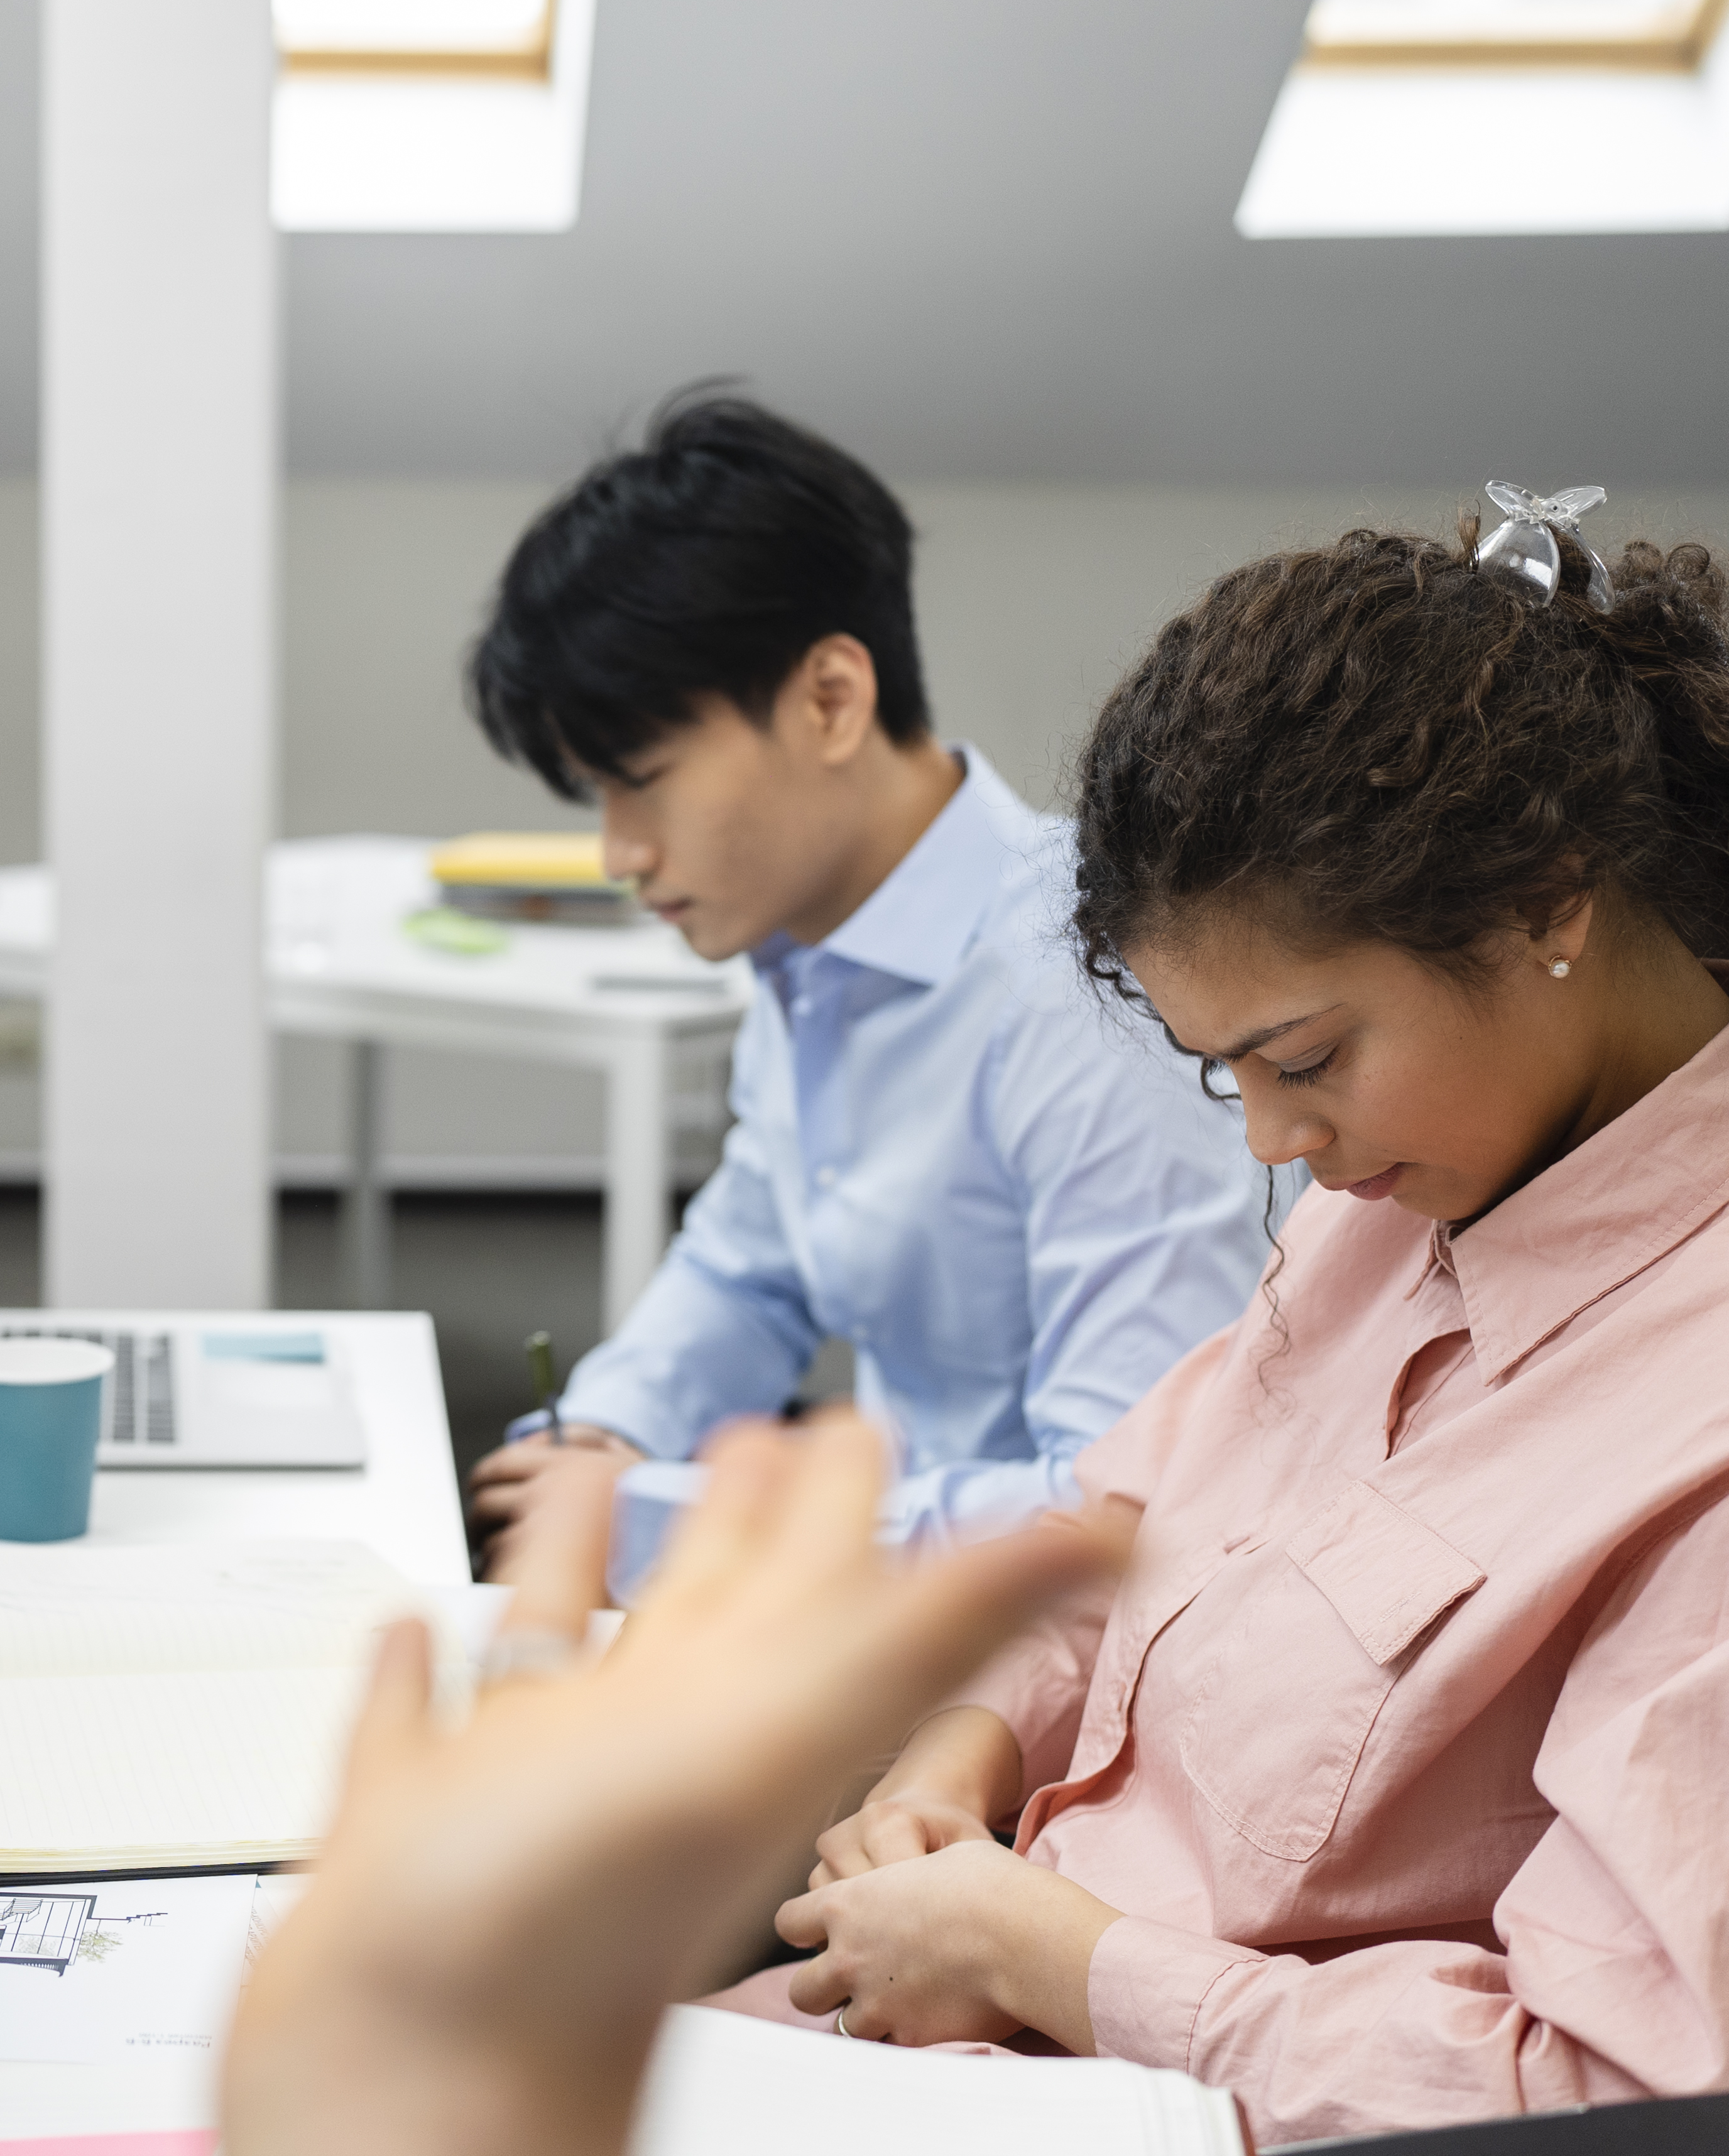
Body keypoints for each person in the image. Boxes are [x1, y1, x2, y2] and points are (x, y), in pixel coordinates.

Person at [755, 521, 1729, 2142]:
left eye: (1304, 1055)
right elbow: (1124, 1528)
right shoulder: (1415, 1186)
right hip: (958, 2040)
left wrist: (1062, 1963)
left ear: (1546, 900)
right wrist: (959, 1753)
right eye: (1228, 1073)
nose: (1270, 1144)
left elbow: (1647, 2099)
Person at [463, 393, 1270, 1578]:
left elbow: (1122, 1514)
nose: (619, 853)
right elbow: (751, 1263)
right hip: (908, 1597)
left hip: (1054, 1671)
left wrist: (659, 1513)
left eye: (641, 780)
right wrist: (610, 1428)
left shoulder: (1090, 996)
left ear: (831, 699)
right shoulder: (806, 947)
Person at [225, 1413, 1117, 2156]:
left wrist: (1038, 1950)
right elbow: (1100, 1578)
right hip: (883, 1975)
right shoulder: (1225, 1360)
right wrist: (936, 1775)